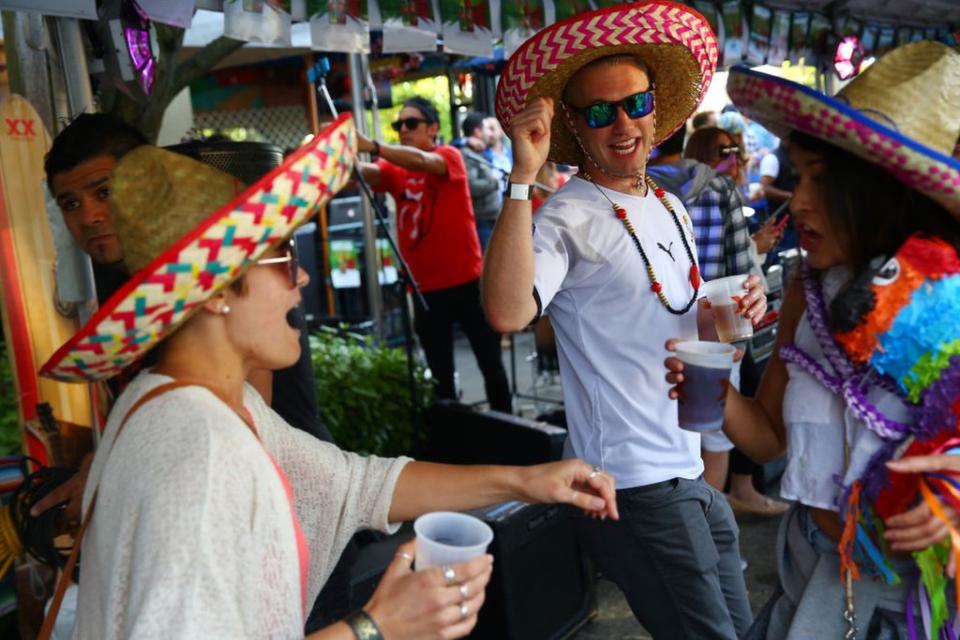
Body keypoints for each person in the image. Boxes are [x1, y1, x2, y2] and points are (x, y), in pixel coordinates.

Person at [40, 123, 618, 638]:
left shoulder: (212, 403)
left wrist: (530, 480)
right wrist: (376, 626)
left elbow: (358, 486)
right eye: (282, 256)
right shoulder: (199, 450)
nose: (304, 276)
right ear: (217, 290)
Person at [483, 3, 767, 637]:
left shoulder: (668, 203)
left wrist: (736, 312)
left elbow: (684, 327)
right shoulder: (566, 216)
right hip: (631, 483)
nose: (622, 125)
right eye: (599, 112)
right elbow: (506, 311)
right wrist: (523, 178)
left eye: (634, 105)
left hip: (687, 461)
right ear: (575, 127)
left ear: (656, 110)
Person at [665, 40, 960, 638]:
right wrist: (716, 392)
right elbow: (770, 438)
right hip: (809, 580)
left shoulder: (950, 301)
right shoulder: (809, 288)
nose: (797, 201)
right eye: (799, 177)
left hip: (914, 605)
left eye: (821, 182)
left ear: (886, 190)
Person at [39, 112, 357, 629]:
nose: (91, 216)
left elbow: (244, 419)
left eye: (103, 192)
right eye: (71, 204)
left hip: (294, 522)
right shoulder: (143, 299)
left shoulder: (226, 273)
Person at [649, 126, 787, 518]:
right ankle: (711, 530)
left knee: (669, 432)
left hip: (655, 335)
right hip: (715, 331)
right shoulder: (720, 189)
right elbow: (745, 275)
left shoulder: (637, 191)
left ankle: (689, 528)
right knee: (714, 435)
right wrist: (738, 341)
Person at [356, 97, 512, 413]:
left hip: (467, 282)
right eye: (398, 125)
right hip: (425, 289)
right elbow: (363, 172)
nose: (403, 130)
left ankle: (511, 437)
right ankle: (454, 446)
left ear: (433, 128)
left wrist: (373, 145)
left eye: (411, 124)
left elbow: (423, 163)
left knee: (491, 366)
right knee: (441, 378)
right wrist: (334, 155)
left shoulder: (449, 155)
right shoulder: (394, 169)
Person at [458, 111, 503, 251]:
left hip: (492, 219)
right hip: (483, 221)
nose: (489, 134)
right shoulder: (467, 154)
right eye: (486, 129)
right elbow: (471, 186)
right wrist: (494, 183)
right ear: (477, 132)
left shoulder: (479, 151)